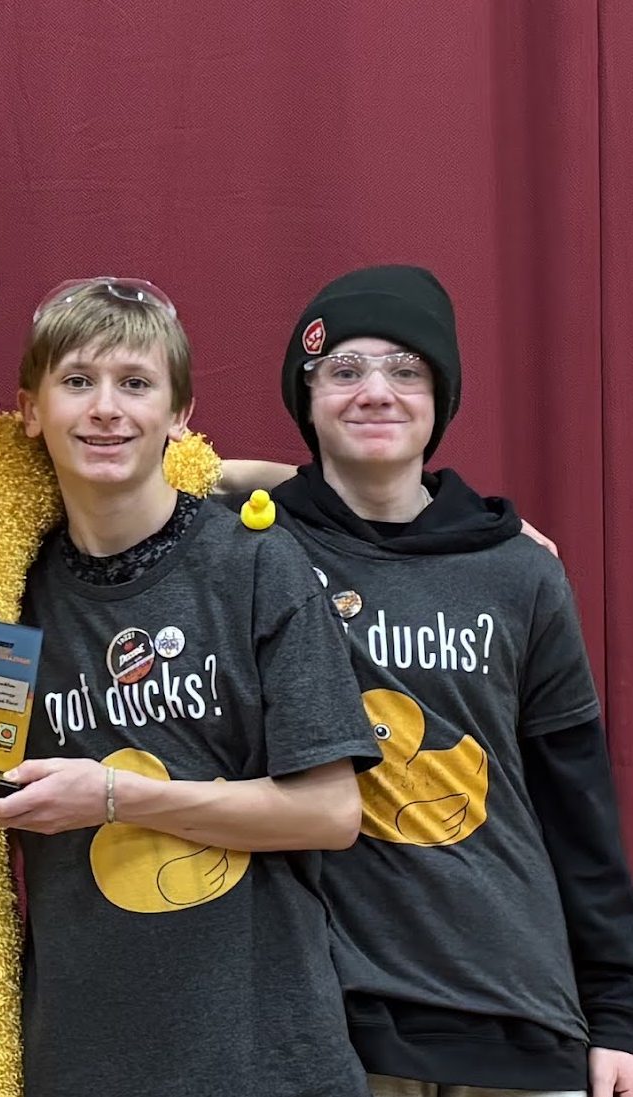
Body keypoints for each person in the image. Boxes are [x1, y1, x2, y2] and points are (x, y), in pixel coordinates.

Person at [0, 277, 378, 1097]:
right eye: (76, 382)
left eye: (134, 383)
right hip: (80, 1057)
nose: (105, 408)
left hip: (263, 1055)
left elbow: (331, 813)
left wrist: (114, 797)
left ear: (178, 416)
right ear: (29, 409)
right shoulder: (6, 592)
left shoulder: (254, 563)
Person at [270, 264, 633, 1097]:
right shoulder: (255, 553)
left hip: (519, 1015)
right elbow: (127, 472)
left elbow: (575, 803)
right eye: (345, 371)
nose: (376, 393)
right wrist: (250, 479)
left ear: (439, 396)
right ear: (307, 395)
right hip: (345, 1026)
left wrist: (614, 1011)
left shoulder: (518, 572)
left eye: (405, 370)